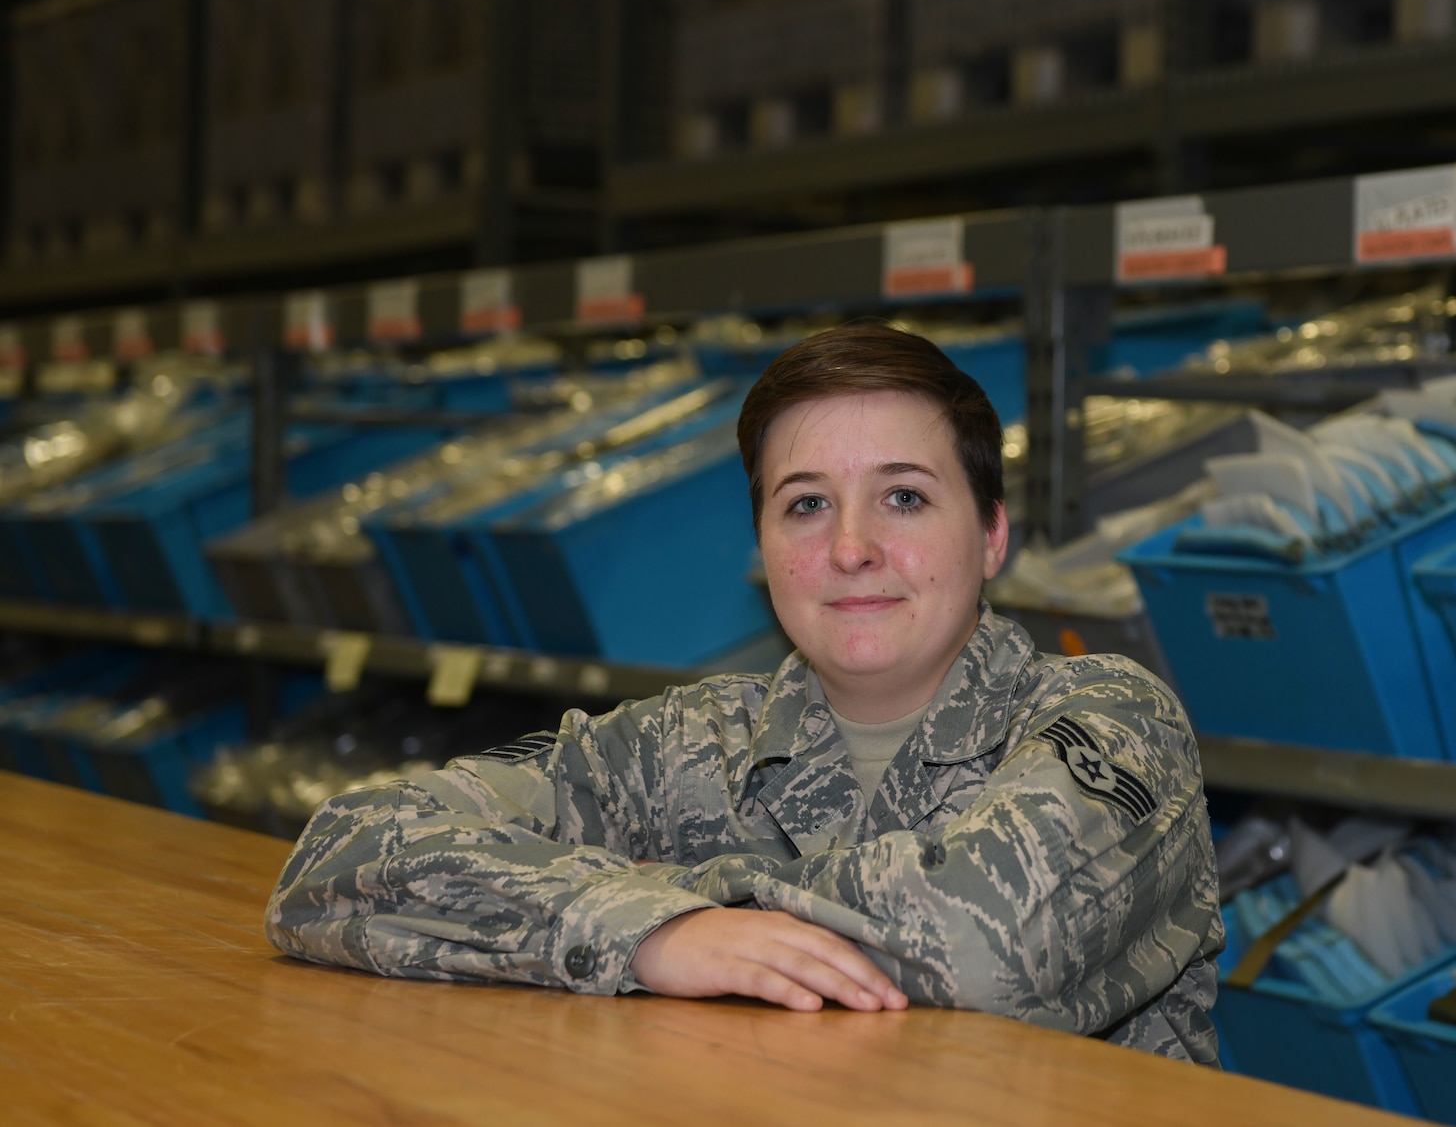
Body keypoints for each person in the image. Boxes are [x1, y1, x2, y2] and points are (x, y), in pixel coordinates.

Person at [266, 323, 1224, 1062]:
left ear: (992, 535)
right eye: (805, 503)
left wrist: (689, 907)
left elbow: (983, 943)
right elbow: (339, 855)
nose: (850, 548)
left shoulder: (1110, 720)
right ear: (764, 548)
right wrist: (648, 934)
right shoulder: (690, 742)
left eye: (905, 496)